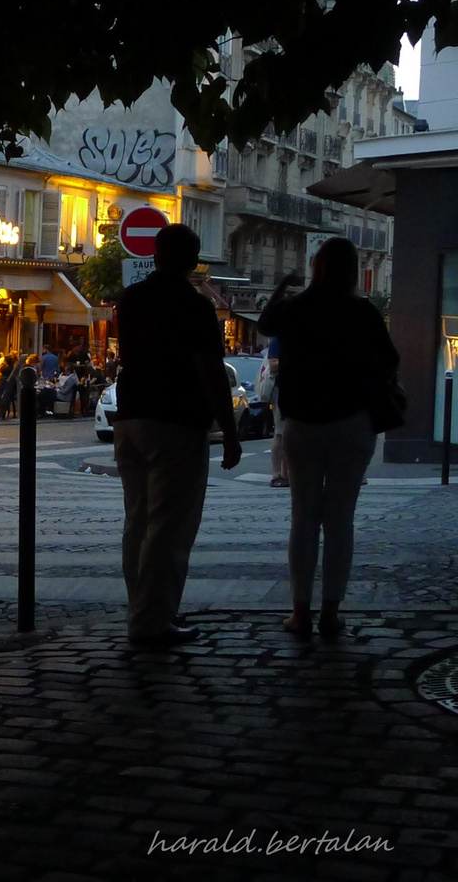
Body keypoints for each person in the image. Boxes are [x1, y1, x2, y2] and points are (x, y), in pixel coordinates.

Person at [258, 239, 398, 639]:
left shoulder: (295, 309)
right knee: (340, 521)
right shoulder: (361, 311)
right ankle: (331, 612)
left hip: (303, 423)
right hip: (352, 422)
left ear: (316, 266)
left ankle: (299, 612)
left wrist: (284, 285)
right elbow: (390, 361)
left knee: (303, 518)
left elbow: (265, 325)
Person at [113, 223, 241, 646]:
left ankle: (142, 608)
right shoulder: (195, 305)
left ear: (155, 253)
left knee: (137, 521)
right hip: (176, 421)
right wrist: (229, 429)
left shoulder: (130, 300)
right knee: (169, 527)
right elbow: (209, 371)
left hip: (130, 417)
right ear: (192, 259)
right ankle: (152, 620)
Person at [259, 337, 288, 488]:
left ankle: (285, 473)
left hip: (297, 390)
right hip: (282, 390)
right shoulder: (278, 339)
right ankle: (277, 474)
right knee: (280, 432)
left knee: (291, 432)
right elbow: (273, 364)